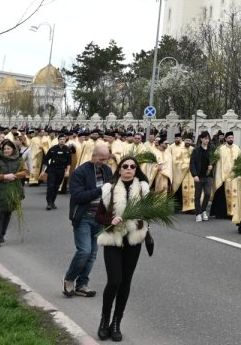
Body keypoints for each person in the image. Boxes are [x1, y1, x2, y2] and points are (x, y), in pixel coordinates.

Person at [96, 155, 150, 342]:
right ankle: (104, 321)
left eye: (132, 166)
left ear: (136, 169)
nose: (128, 169)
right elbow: (98, 216)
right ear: (119, 169)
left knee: (125, 282)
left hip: (133, 241)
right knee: (114, 280)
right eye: (125, 166)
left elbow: (147, 215)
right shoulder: (108, 189)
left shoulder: (143, 190)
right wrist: (110, 220)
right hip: (113, 239)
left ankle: (116, 323)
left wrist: (148, 235)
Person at [65, 144, 112, 299]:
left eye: (106, 159)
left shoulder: (107, 171)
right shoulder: (80, 172)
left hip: (99, 218)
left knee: (92, 254)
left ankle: (82, 285)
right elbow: (78, 196)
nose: (103, 162)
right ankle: (69, 279)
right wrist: (100, 190)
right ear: (93, 155)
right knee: (84, 251)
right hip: (83, 217)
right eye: (101, 158)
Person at [0, 139, 28, 248]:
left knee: (7, 213)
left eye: (8, 148)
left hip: (13, 190)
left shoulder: (20, 160)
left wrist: (14, 176)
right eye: (4, 149)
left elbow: (25, 172)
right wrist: (4, 176)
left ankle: (2, 234)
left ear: (13, 149)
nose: (6, 150)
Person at [43, 133, 75, 211]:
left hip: (61, 170)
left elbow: (69, 162)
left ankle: (53, 201)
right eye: (60, 139)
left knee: (56, 187)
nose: (62, 141)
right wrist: (43, 170)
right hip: (52, 169)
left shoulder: (67, 150)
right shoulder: (53, 149)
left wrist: (67, 171)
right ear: (58, 140)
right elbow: (46, 159)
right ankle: (49, 203)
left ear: (65, 140)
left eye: (63, 139)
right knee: (50, 186)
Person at [189, 131, 212, 221]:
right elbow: (192, 163)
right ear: (201, 139)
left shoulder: (211, 149)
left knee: (207, 193)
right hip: (199, 176)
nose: (207, 140)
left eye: (208, 138)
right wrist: (194, 175)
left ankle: (203, 211)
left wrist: (211, 166)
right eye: (205, 138)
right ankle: (198, 213)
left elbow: (214, 160)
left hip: (208, 176)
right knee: (197, 195)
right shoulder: (196, 150)